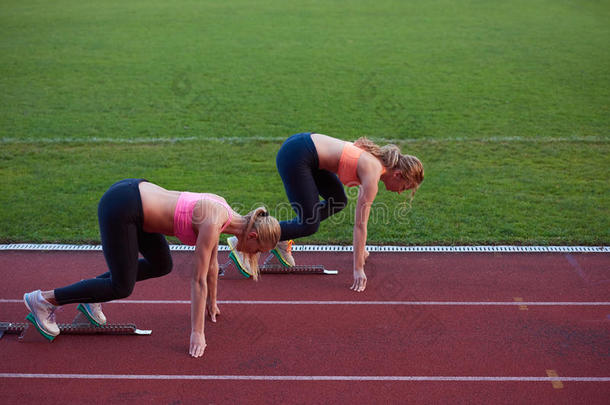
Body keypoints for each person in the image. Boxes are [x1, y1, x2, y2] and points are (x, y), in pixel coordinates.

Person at [23, 179, 280, 358]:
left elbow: (212, 265)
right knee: (121, 286)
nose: (253, 255)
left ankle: (92, 296)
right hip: (123, 207)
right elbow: (198, 279)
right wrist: (197, 333)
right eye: (258, 251)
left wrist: (212, 304)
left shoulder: (224, 212)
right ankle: (44, 300)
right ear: (254, 236)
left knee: (161, 264)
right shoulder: (213, 221)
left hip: (136, 197)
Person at [248, 132, 423, 293]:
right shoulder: (373, 173)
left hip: (304, 149)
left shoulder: (375, 162)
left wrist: (361, 252)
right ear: (398, 175)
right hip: (297, 155)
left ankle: (279, 236)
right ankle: (248, 234)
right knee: (309, 224)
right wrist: (358, 269)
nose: (400, 192)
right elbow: (360, 226)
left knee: (337, 201)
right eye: (404, 187)